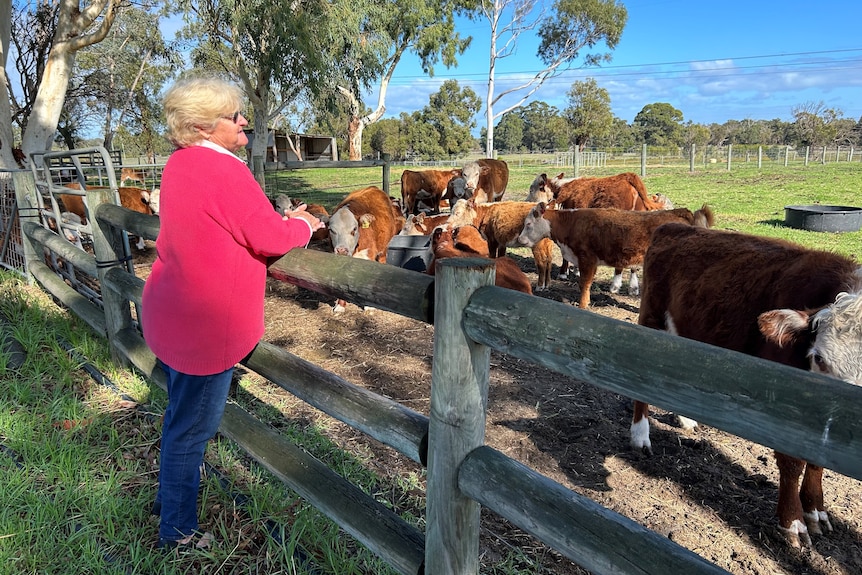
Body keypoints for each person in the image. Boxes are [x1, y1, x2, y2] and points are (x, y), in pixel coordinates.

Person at [141, 73, 324, 550]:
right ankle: (177, 532)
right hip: (206, 327)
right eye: (234, 116)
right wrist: (302, 225)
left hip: (172, 311)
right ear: (203, 126)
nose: (244, 122)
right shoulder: (224, 170)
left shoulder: (180, 164)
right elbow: (268, 236)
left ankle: (168, 504)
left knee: (179, 416)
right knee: (192, 429)